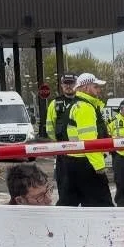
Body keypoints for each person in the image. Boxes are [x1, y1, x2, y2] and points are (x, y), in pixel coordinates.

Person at [59, 73, 113, 206]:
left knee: (68, 205)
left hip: (73, 160)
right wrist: (99, 166)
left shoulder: (76, 104)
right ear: (85, 87)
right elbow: (89, 142)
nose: (99, 90)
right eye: (96, 86)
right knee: (103, 206)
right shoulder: (85, 107)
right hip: (86, 163)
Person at [45, 72, 79, 203]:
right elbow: (50, 127)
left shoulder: (82, 102)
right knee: (65, 190)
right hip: (63, 153)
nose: (68, 86)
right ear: (61, 85)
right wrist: (58, 145)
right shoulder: (55, 104)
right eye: (66, 84)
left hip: (83, 152)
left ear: (76, 84)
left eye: (71, 83)